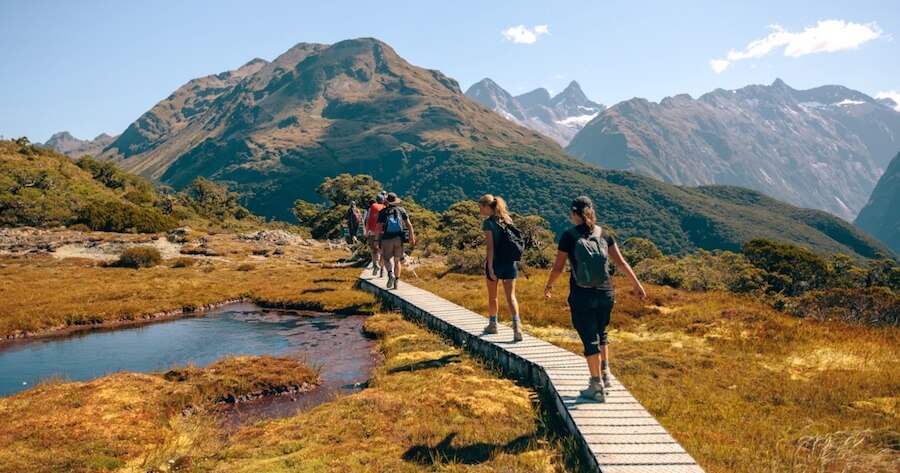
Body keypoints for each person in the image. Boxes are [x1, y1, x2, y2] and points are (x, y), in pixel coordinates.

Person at [544, 196, 646, 402]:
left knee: (590, 338)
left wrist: (549, 286)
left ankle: (596, 385)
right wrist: (637, 284)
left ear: (574, 214)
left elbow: (558, 267)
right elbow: (621, 262)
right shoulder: (605, 234)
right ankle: (605, 373)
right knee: (601, 332)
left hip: (581, 295)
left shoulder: (568, 236)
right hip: (606, 293)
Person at [479, 194, 524, 342]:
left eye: (481, 208)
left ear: (487, 207)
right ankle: (517, 327)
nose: (480, 211)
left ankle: (493, 325)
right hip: (510, 263)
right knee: (511, 296)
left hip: (496, 262)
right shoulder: (506, 220)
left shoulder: (488, 224)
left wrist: (490, 266)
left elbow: (490, 248)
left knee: (493, 296)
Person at [375, 193, 415, 289]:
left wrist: (376, 240)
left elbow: (377, 227)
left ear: (387, 202)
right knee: (397, 261)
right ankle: (396, 281)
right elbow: (409, 225)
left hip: (387, 238)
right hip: (399, 239)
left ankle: (390, 274)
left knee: (387, 259)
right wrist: (412, 237)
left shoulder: (383, 212)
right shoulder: (401, 210)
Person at [365, 195, 386, 277]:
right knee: (382, 251)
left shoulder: (371, 208)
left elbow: (368, 221)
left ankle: (375, 264)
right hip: (383, 232)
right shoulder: (385, 208)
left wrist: (366, 232)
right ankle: (382, 269)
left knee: (374, 251)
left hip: (373, 232)